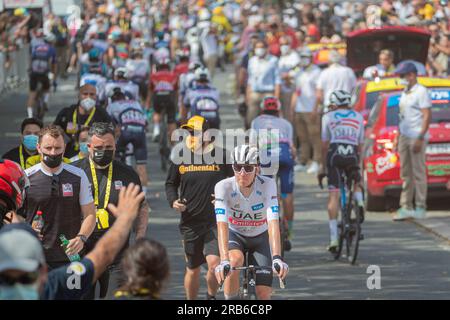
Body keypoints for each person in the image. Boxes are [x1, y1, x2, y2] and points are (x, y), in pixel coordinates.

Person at [0, 173, 146, 300]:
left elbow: (102, 254)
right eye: (5, 279)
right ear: (43, 272)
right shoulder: (55, 286)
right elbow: (103, 254)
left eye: (26, 279)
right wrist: (124, 220)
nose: (17, 287)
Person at [73, 122, 149, 299]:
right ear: (89, 146)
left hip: (118, 254)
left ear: (115, 146)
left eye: (108, 147)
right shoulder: (75, 171)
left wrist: (139, 237)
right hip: (83, 254)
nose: (103, 151)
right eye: (98, 147)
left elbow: (142, 207)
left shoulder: (128, 173)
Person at [165, 116, 233, 300]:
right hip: (190, 221)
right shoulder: (181, 157)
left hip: (215, 221)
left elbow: (234, 183)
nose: (191, 136)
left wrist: (225, 198)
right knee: (193, 269)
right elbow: (170, 183)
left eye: (195, 132)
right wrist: (173, 201)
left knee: (214, 264)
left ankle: (210, 296)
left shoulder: (223, 156)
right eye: (188, 132)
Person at [214, 145, 289, 300]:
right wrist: (223, 260)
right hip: (235, 235)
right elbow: (221, 224)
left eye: (248, 168)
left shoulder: (268, 185)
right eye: (237, 167)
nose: (242, 173)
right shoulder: (223, 187)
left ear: (257, 168)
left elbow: (273, 222)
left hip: (260, 236)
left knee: (263, 294)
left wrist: (277, 257)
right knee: (233, 262)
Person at [23, 125, 97, 270]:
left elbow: (90, 214)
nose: (53, 152)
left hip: (70, 256)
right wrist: (26, 229)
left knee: (71, 293)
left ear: (64, 148)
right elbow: (12, 214)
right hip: (35, 257)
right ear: (38, 148)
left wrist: (81, 238)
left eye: (58, 148)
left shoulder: (78, 175)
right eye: (48, 148)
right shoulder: (25, 177)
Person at [319, 90, 365, 252]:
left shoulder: (328, 116)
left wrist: (322, 166)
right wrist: (359, 163)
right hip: (352, 152)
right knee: (356, 180)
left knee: (334, 195)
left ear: (335, 103)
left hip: (335, 153)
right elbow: (361, 144)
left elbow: (324, 145)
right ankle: (360, 202)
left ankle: (333, 239)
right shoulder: (358, 116)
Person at [251, 96, 296, 244]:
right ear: (278, 110)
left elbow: (252, 146)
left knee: (265, 193)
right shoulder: (286, 123)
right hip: (284, 155)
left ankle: (265, 228)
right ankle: (289, 231)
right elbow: (293, 149)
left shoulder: (257, 122)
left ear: (262, 109)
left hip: (267, 157)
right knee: (287, 194)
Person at [392, 62, 431, 221]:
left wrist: (420, 137)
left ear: (412, 75)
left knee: (418, 172)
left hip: (416, 136)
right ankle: (406, 206)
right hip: (404, 135)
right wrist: (397, 135)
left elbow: (426, 115)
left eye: (403, 76)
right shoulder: (405, 92)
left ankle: (420, 206)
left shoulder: (421, 91)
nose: (401, 79)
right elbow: (402, 115)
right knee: (406, 173)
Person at [107, 88, 149, 194]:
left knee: (113, 156)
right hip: (140, 131)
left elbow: (110, 126)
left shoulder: (112, 105)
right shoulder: (136, 103)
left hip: (126, 131)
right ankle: (143, 196)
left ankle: (116, 185)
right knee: (141, 166)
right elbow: (146, 122)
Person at [54, 84, 112, 158]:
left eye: (92, 94)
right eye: (85, 94)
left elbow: (112, 130)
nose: (88, 97)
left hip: (93, 152)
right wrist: (60, 131)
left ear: (96, 97)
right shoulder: (67, 112)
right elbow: (54, 129)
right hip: (69, 151)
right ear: (79, 96)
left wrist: (78, 127)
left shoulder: (101, 113)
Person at [291, 48, 322, 174]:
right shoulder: (298, 73)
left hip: (311, 109)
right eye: (302, 57)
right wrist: (292, 109)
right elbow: (296, 91)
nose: (303, 59)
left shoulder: (316, 72)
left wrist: (315, 109)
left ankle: (316, 161)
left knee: (314, 136)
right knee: (302, 137)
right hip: (300, 108)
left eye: (306, 57)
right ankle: (303, 160)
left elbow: (319, 93)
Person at [246, 40, 280, 129]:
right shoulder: (252, 61)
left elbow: (277, 80)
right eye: (257, 47)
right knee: (251, 118)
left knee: (269, 120)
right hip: (255, 92)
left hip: (268, 93)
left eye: (261, 47)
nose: (259, 49)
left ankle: (268, 140)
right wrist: (248, 94)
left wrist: (276, 97)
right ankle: (253, 139)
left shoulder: (273, 60)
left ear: (266, 48)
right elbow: (250, 79)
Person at [146, 58, 179, 142]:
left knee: (157, 112)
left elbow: (150, 92)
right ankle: (172, 146)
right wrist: (177, 104)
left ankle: (156, 129)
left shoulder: (153, 75)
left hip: (158, 96)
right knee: (171, 121)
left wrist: (148, 104)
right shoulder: (174, 75)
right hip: (170, 96)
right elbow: (176, 92)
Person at [26, 33, 57, 118]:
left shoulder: (36, 47)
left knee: (32, 93)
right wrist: (54, 78)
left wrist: (29, 70)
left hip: (34, 72)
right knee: (47, 88)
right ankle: (46, 101)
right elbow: (54, 65)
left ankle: (30, 115)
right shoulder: (52, 49)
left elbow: (31, 59)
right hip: (44, 73)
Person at [275, 36, 300, 122]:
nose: (284, 46)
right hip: (281, 89)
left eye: (286, 44)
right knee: (284, 114)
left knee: (290, 113)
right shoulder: (280, 57)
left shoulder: (294, 56)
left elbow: (298, 68)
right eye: (281, 44)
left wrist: (289, 75)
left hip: (291, 89)